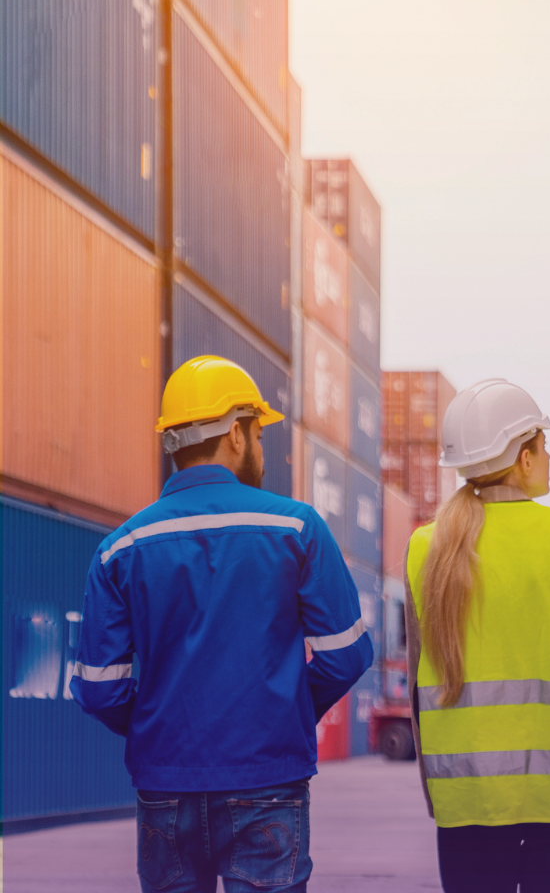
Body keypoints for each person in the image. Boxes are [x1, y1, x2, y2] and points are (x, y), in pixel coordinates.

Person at [72, 355, 373, 893]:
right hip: (268, 780)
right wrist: (283, 713)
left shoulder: (119, 548)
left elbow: (98, 690)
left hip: (164, 786)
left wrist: (158, 725)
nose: (262, 449)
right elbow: (346, 656)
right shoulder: (296, 528)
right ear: (237, 433)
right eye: (259, 434)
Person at [404, 379, 550, 893]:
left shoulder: (426, 548)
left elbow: (418, 689)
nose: (549, 457)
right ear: (524, 458)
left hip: (466, 794)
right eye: (544, 445)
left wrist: (436, 790)